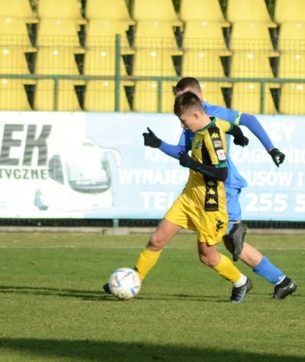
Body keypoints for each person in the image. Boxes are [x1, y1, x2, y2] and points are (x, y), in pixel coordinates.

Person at [142, 76, 297, 299]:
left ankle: (236, 233)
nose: (181, 100)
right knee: (229, 242)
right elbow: (182, 153)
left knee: (227, 238)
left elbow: (249, 120)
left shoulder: (209, 113)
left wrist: (271, 149)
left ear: (198, 97)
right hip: (209, 187)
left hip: (224, 185)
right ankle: (282, 280)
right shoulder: (188, 120)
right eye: (178, 97)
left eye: (185, 96)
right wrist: (158, 144)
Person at [108, 91, 254, 302]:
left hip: (209, 205)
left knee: (207, 257)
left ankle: (241, 282)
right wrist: (239, 135)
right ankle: (130, 281)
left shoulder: (212, 137)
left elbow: (222, 174)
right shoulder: (214, 122)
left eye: (183, 121)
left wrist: (192, 164)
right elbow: (230, 126)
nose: (182, 126)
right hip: (188, 198)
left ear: (195, 115)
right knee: (156, 240)